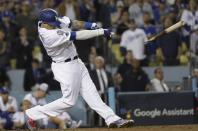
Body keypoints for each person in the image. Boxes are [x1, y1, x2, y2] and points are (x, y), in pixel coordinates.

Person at [25, 8, 134, 130]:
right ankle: (33, 114)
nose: (55, 24)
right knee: (69, 101)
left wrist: (91, 25)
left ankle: (112, 118)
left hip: (77, 62)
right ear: (44, 23)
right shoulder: (48, 35)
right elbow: (77, 35)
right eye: (52, 24)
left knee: (92, 93)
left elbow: (74, 23)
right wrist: (100, 32)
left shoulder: (50, 20)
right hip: (64, 67)